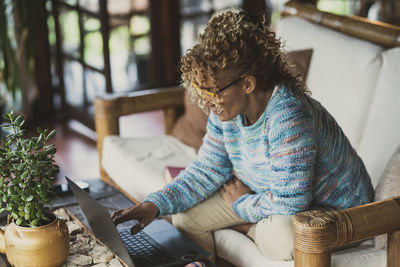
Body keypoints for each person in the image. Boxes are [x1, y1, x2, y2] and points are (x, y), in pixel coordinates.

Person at [111, 9, 374, 262]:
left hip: (337, 214)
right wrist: (154, 205)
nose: (206, 103)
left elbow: (289, 207)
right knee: (185, 219)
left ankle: (249, 227)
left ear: (248, 84)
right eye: (202, 92)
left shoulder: (289, 117)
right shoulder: (223, 111)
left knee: (281, 237)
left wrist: (241, 204)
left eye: (213, 92)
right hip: (268, 197)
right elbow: (208, 169)